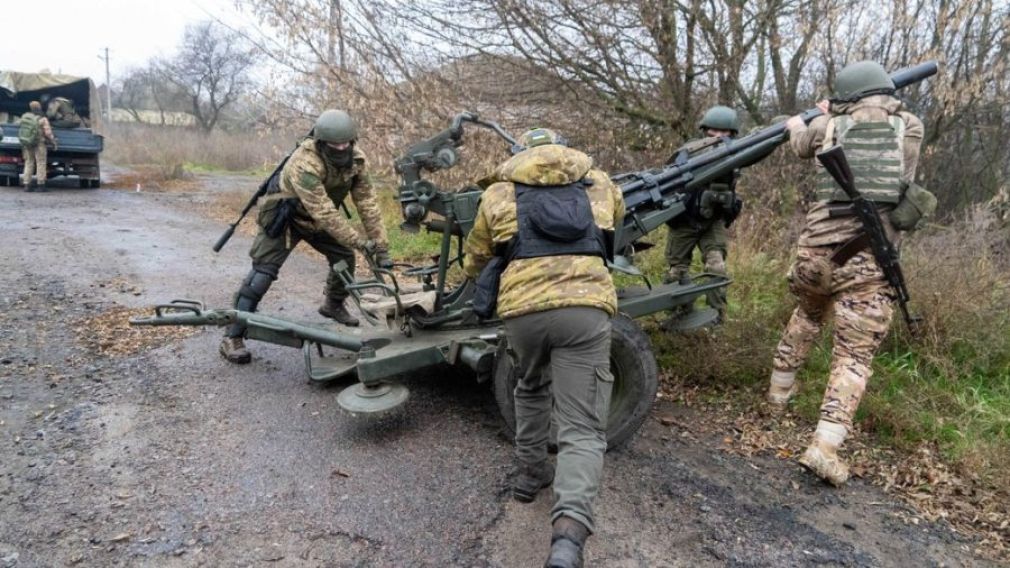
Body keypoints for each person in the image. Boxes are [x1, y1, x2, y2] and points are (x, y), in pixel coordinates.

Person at [464, 128, 624, 568]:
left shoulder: (498, 192)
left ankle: (528, 475)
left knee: (531, 387)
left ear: (522, 154)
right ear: (563, 149)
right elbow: (614, 233)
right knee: (583, 427)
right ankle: (568, 539)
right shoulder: (601, 183)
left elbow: (476, 257)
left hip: (523, 311)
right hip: (586, 309)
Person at [765, 61, 925, 485]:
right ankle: (824, 446)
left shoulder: (826, 126)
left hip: (814, 255)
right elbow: (903, 174)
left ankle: (777, 395)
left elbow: (798, 142)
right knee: (853, 356)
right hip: (867, 261)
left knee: (807, 315)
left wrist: (806, 118)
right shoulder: (910, 127)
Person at [219, 109, 391, 364]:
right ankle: (232, 334)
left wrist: (380, 245)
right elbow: (324, 212)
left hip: (316, 220)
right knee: (262, 274)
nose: (342, 148)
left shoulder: (357, 160)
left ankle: (332, 304)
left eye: (346, 143)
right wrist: (359, 241)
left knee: (344, 258)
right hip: (286, 217)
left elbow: (367, 201)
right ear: (322, 143)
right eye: (335, 145)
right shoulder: (305, 163)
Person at [663, 105, 742, 321]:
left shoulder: (736, 155)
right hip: (685, 219)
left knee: (716, 266)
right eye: (713, 132)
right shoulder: (688, 152)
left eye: (724, 133)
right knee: (677, 271)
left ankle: (716, 317)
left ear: (733, 134)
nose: (718, 137)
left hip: (712, 221)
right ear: (704, 131)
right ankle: (678, 314)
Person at [17, 101, 57, 192]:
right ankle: (41, 184)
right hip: (39, 143)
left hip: (27, 143)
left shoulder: (25, 116)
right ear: (39, 107)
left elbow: (19, 125)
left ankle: (27, 184)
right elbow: (48, 133)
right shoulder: (42, 119)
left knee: (29, 162)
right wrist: (53, 142)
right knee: (41, 163)